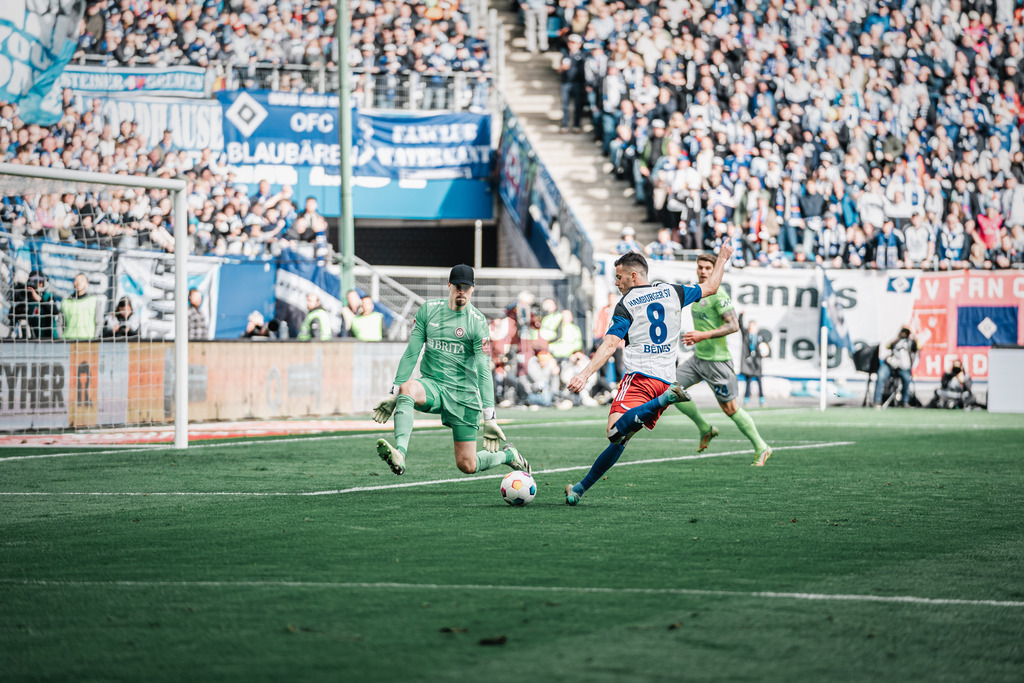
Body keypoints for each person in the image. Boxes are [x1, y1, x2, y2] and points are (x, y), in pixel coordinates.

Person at [563, 245, 733, 506]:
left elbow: (610, 344)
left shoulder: (626, 304)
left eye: (619, 277)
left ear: (633, 276)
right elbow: (710, 288)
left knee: (613, 433)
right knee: (621, 441)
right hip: (664, 379)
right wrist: (722, 258)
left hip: (641, 378)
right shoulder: (672, 292)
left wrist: (585, 374)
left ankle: (665, 400)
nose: (616, 282)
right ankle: (579, 489)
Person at [371, 264, 530, 478]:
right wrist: (393, 393)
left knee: (467, 464)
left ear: (473, 288)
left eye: (466, 287)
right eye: (457, 286)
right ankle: (399, 453)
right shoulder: (428, 311)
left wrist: (490, 417)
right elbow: (411, 353)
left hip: (464, 395)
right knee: (407, 388)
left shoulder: (477, 322)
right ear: (449, 285)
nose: (461, 291)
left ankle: (508, 455)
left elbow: (483, 370)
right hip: (433, 385)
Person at [670, 254, 773, 466]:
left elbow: (734, 325)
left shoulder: (719, 294)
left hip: (718, 363)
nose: (703, 271)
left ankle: (762, 446)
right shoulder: (698, 293)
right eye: (700, 267)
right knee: (670, 389)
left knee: (730, 409)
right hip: (699, 359)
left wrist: (702, 335)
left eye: (708, 268)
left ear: (714, 270)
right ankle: (704, 428)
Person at [872, 325, 918, 408]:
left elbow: (918, 347)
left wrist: (912, 333)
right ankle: (877, 401)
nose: (904, 334)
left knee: (907, 378)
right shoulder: (897, 340)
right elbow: (887, 346)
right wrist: (898, 337)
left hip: (903, 367)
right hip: (891, 365)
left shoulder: (910, 342)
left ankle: (905, 401)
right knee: (880, 375)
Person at [10, 271, 60, 339]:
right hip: (34, 339)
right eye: (35, 282)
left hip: (49, 338)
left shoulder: (48, 297)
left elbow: (55, 311)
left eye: (40, 282)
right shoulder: (28, 300)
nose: (39, 284)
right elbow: (13, 316)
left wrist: (39, 299)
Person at [739, 312, 769, 406]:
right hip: (749, 361)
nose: (752, 328)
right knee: (749, 381)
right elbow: (740, 325)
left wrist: (764, 353)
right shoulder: (746, 335)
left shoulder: (760, 336)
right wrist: (741, 315)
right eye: (750, 326)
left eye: (754, 326)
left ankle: (762, 399)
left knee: (759, 380)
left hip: (757, 361)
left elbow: (765, 347)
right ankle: (747, 398)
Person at [62, 272, 100, 340]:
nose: (78, 283)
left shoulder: (93, 300)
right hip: (68, 340)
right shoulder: (66, 302)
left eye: (82, 280)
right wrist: (61, 338)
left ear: (87, 284)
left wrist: (95, 338)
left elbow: (99, 322)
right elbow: (60, 323)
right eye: (76, 280)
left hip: (88, 341)